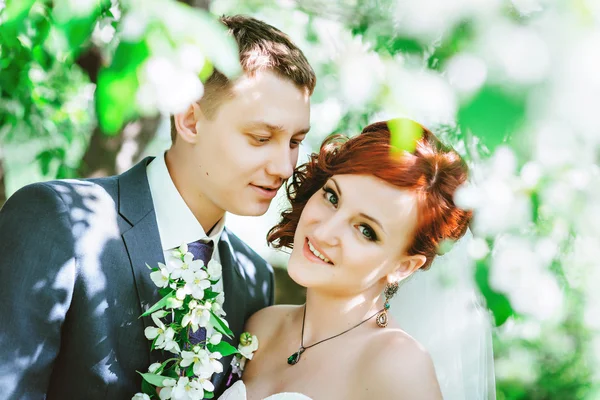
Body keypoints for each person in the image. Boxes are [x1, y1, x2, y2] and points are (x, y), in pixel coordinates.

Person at [0, 15, 315, 399]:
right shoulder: (56, 219)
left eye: (295, 141)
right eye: (261, 137)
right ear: (190, 121)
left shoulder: (253, 279)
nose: (284, 167)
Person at [219, 119, 474, 400]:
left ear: (402, 267)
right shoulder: (262, 327)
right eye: (332, 197)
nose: (324, 231)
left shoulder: (398, 365)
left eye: (366, 230)